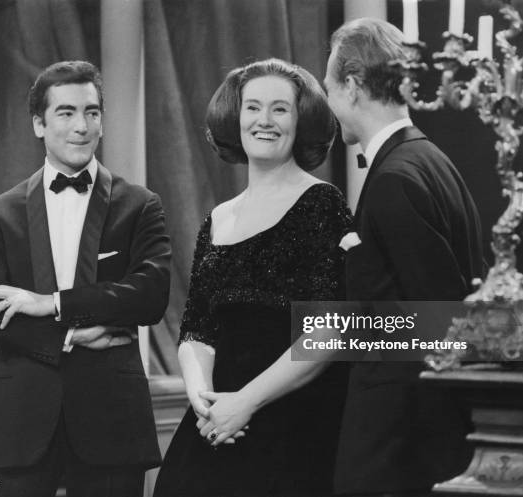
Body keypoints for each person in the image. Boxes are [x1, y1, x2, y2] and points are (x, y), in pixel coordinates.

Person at [0, 61, 171, 497]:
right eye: (66, 113)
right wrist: (71, 337)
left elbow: (151, 296)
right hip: (24, 420)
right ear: (39, 124)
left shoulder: (140, 205)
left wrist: (54, 304)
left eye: (92, 112)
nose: (82, 126)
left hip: (113, 422)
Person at [153, 58, 351, 497]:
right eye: (253, 107)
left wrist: (245, 402)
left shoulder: (322, 203)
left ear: (302, 122)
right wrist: (203, 400)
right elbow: (196, 329)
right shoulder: (217, 218)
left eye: (280, 109)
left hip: (292, 419)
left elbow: (327, 333)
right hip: (216, 417)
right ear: (235, 117)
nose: (264, 120)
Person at [324, 18, 485, 496]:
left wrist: (316, 333)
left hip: (401, 438)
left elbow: (438, 321)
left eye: (330, 88)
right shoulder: (429, 158)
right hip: (415, 429)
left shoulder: (396, 177)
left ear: (352, 87)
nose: (332, 105)